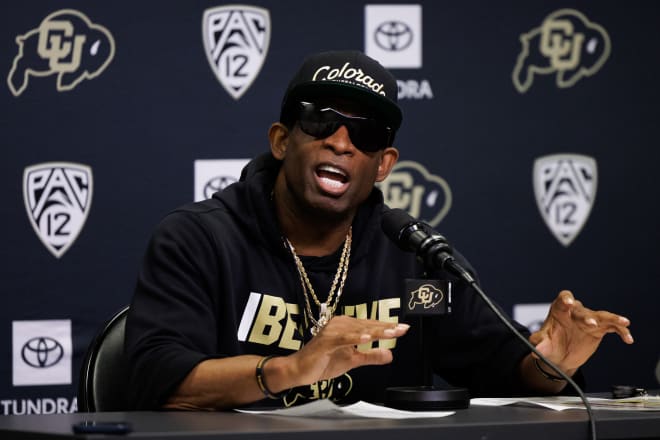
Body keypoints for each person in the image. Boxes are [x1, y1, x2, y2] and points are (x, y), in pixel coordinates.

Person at [124, 50, 633, 411]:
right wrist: (293, 369)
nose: (342, 143)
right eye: (322, 121)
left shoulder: (413, 258)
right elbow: (158, 381)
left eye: (366, 133)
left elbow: (498, 366)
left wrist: (549, 364)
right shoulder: (200, 240)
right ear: (282, 141)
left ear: (383, 163)